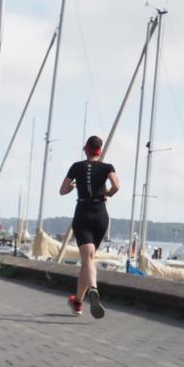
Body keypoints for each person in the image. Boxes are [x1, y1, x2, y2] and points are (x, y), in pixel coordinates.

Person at [59, 135, 120, 318]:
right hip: (101, 215)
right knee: (88, 260)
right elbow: (116, 185)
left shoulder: (76, 167)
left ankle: (93, 289)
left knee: (88, 259)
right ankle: (77, 302)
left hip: (83, 214)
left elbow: (63, 190)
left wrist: (74, 186)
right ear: (99, 151)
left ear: (86, 149)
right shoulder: (107, 167)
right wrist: (108, 193)